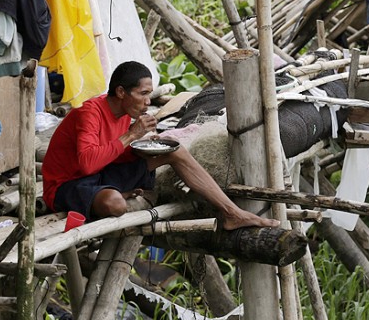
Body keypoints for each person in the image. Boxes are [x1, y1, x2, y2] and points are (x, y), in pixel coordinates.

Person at [42, 61, 278, 230]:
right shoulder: (89, 113)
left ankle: (232, 213)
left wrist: (144, 144)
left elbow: (114, 154)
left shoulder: (125, 111)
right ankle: (115, 194)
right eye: (142, 94)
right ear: (121, 92)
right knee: (115, 204)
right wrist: (131, 135)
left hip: (101, 174)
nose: (147, 102)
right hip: (67, 185)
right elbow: (87, 164)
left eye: (150, 95)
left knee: (175, 150)